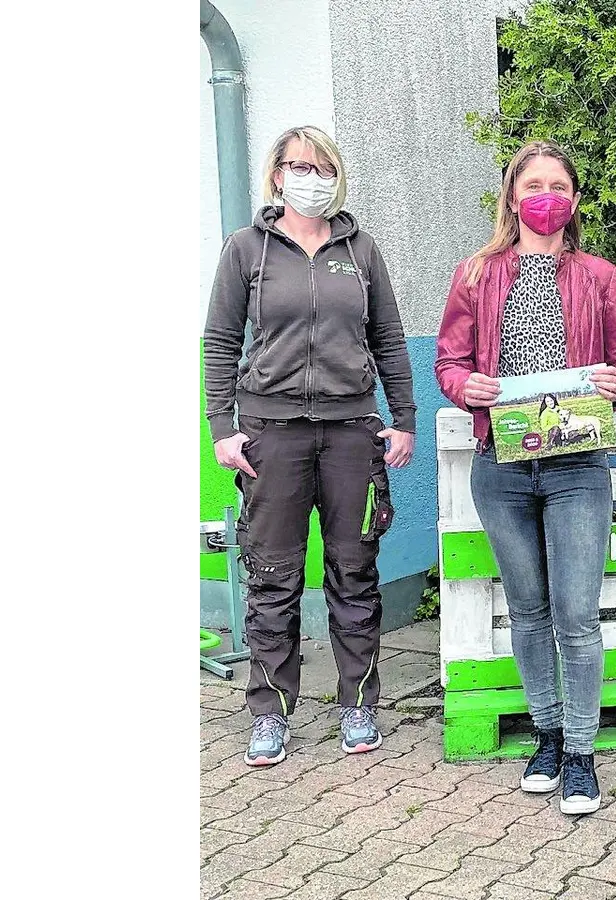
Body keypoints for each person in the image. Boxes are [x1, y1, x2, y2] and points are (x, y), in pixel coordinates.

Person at [435, 140, 616, 816]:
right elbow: (448, 363)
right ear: (512, 196)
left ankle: (582, 754)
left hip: (577, 465)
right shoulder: (474, 274)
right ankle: (547, 737)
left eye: (558, 185)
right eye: (533, 184)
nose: (545, 196)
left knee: (578, 618)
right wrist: (471, 386)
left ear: (574, 199)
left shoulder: (602, 277)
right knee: (527, 610)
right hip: (502, 468)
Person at [204, 125, 417, 766]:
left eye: (323, 167)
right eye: (299, 165)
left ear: (336, 176)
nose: (311, 177)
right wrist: (222, 429)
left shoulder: (362, 250)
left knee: (354, 571)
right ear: (277, 176)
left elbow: (389, 340)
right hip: (271, 437)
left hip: (353, 434)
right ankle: (269, 710)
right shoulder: (246, 251)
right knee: (272, 575)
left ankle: (358, 702)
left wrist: (402, 419)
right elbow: (219, 341)